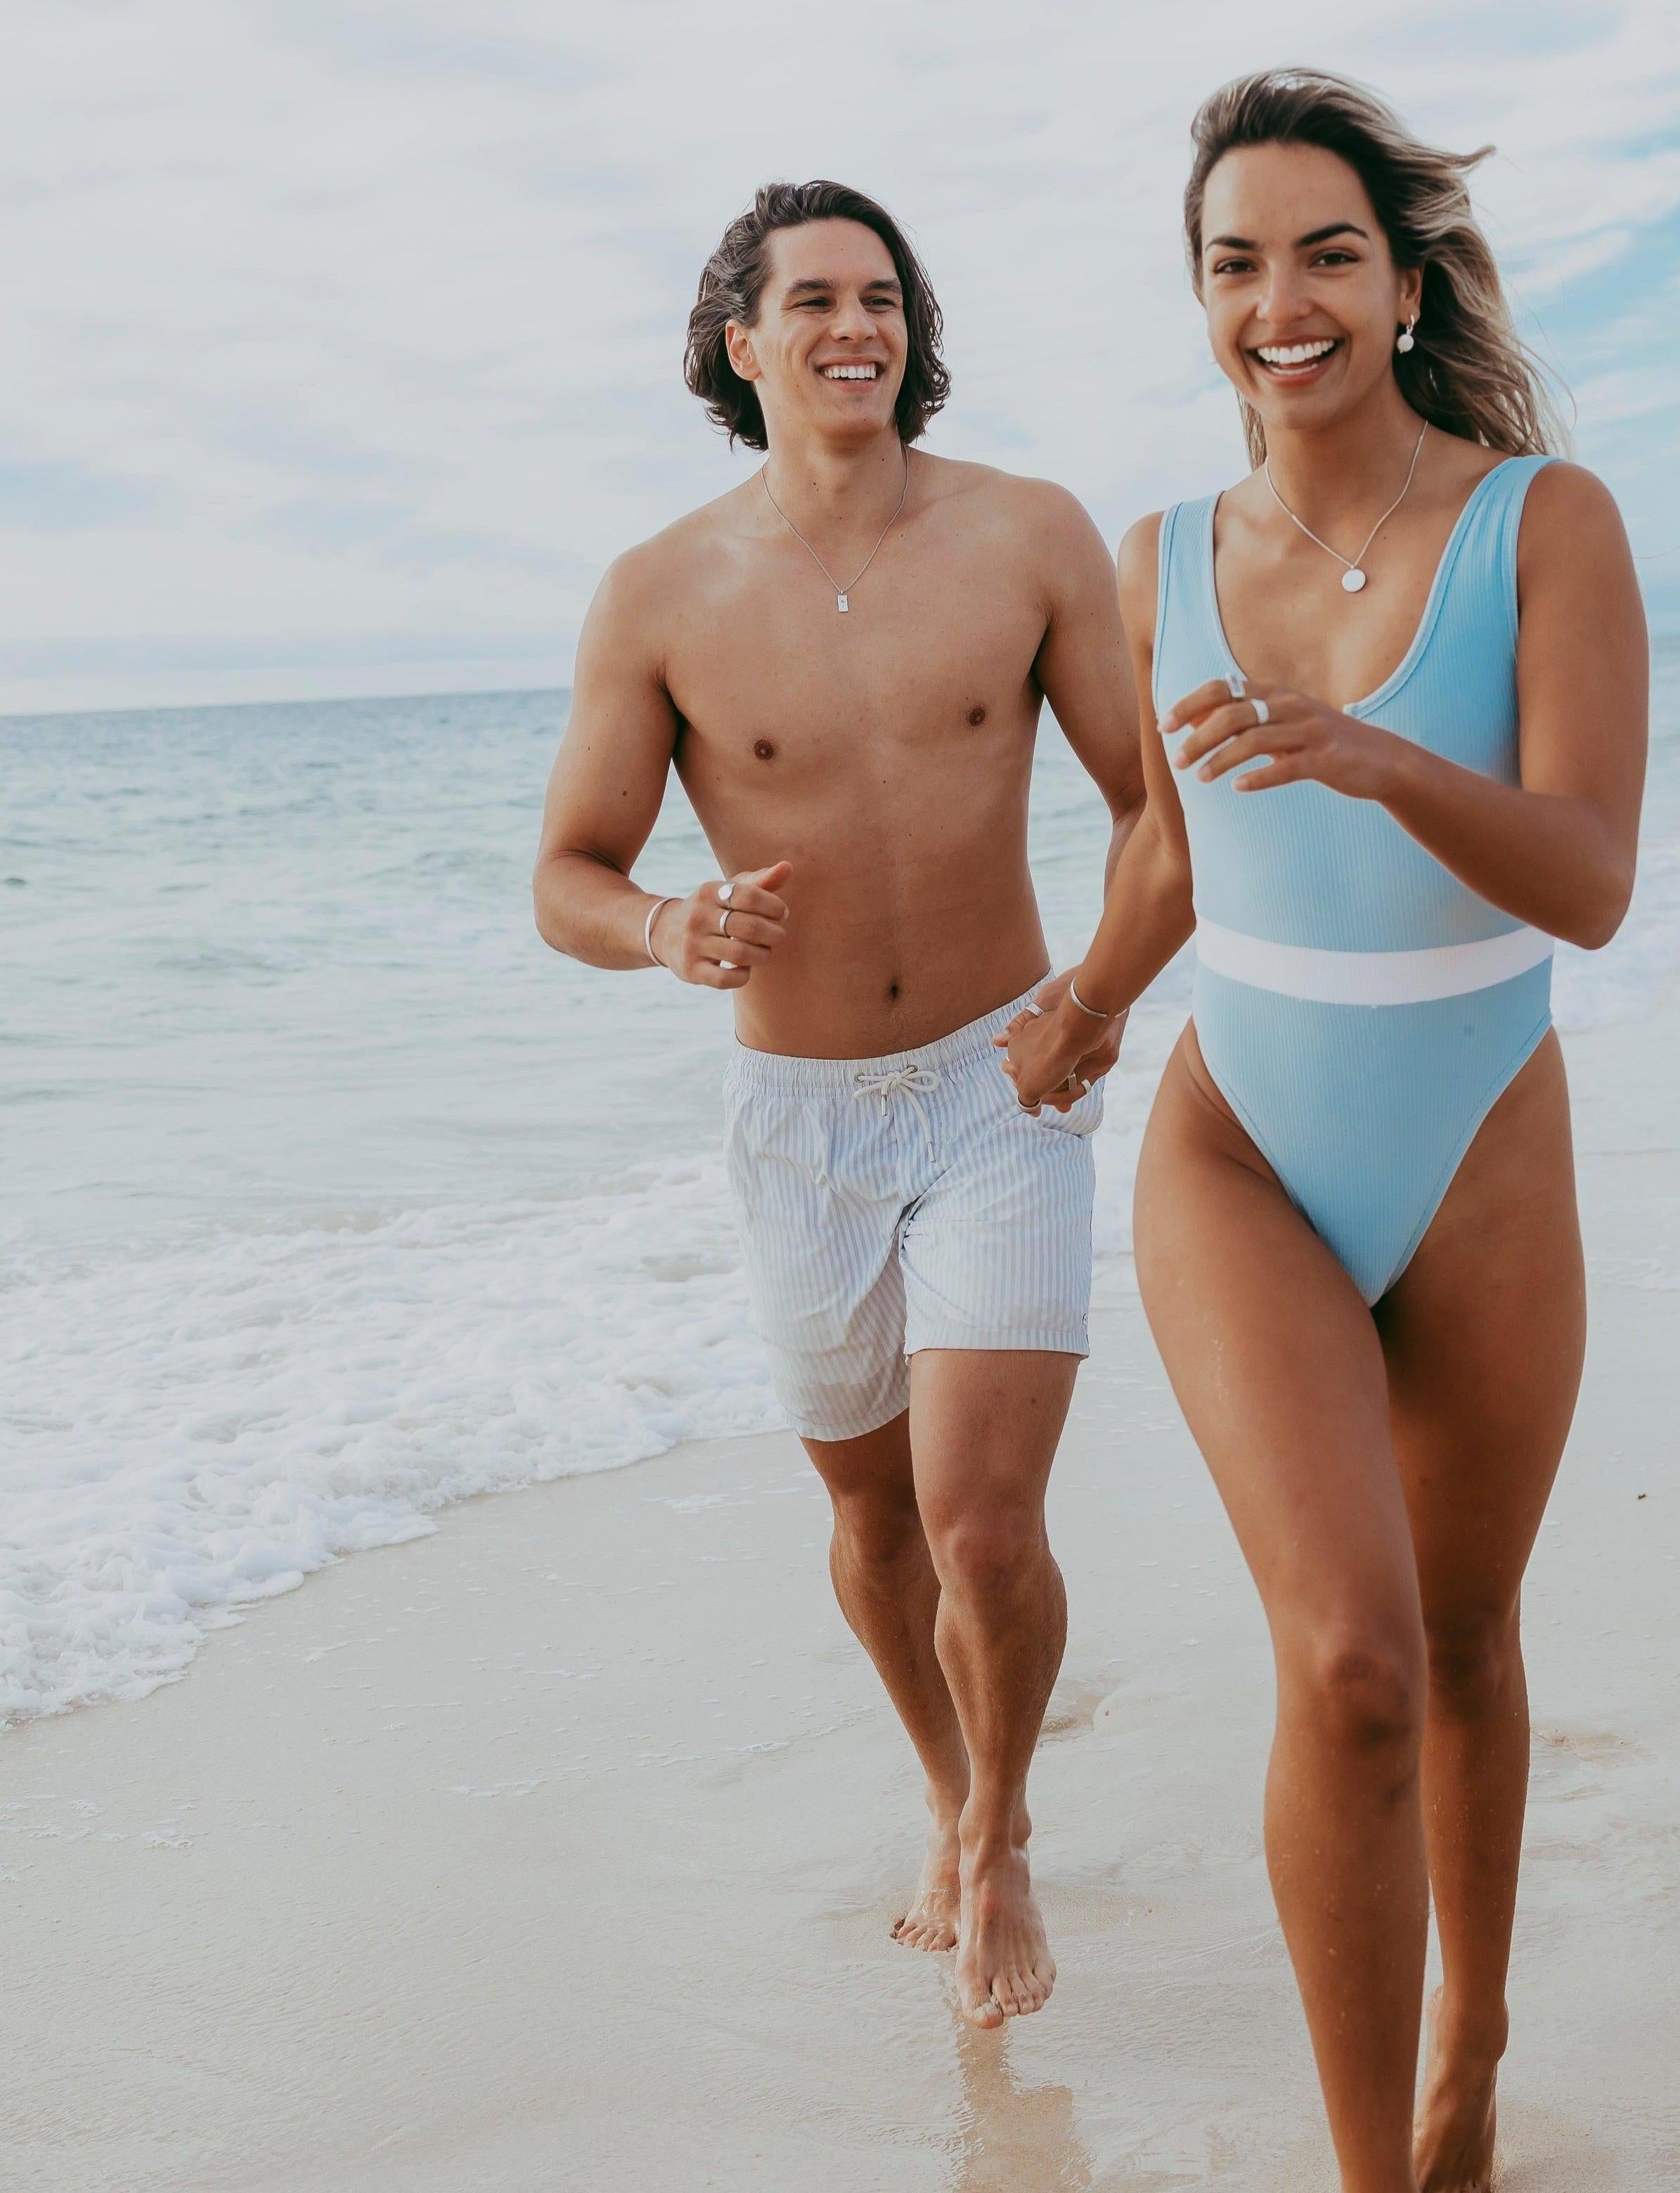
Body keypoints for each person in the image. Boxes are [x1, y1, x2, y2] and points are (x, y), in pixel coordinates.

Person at [999, 71, 1647, 2191]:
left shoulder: (1545, 523)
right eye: (1236, 264)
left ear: (1404, 281)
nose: (1281, 301)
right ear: (1202, 299)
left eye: (1327, 254)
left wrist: (1376, 757)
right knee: (1352, 1660)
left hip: (1480, 1138)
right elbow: (1173, 854)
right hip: (1244, 1148)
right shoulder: (1162, 558)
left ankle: (1472, 2051)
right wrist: (1088, 1006)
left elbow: (1589, 879)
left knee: (1463, 1638)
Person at [534, 180, 1144, 2030]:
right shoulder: (659, 592)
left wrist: (1097, 998)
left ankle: (1007, 1835)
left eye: (881, 296)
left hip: (1000, 1085)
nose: (854, 325)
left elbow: (1152, 809)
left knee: (982, 1525)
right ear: (743, 342)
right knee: (875, 1525)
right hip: (798, 1121)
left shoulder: (1028, 534)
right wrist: (667, 923)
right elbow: (567, 875)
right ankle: (949, 1796)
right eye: (812, 299)